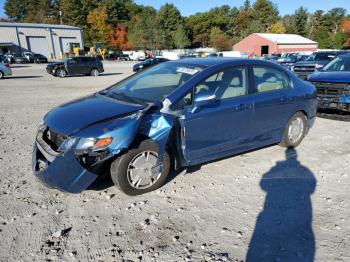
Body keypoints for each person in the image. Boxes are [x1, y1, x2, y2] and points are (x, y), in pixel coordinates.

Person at [246, 148, 316, 262]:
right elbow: (312, 187)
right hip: (300, 207)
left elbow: (262, 183)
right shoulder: (305, 170)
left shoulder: (277, 168)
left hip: (277, 206)